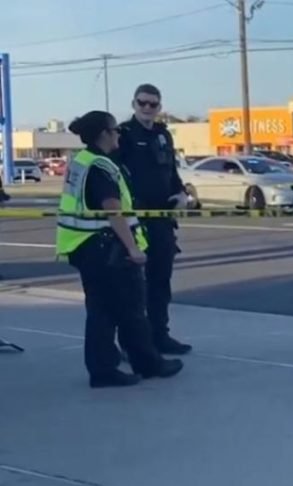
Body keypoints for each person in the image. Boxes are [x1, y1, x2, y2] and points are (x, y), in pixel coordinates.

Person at [56, 110, 184, 388]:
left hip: (84, 247)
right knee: (130, 309)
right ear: (103, 134)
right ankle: (147, 364)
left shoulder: (82, 161)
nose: (118, 135)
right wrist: (133, 248)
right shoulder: (101, 166)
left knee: (102, 312)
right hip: (105, 248)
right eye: (114, 131)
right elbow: (113, 209)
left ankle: (104, 370)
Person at [115, 84, 192, 355]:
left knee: (160, 282)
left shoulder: (162, 135)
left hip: (161, 218)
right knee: (132, 286)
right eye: (142, 103)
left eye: (153, 104)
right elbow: (115, 175)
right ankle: (132, 344)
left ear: (159, 107)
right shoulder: (123, 135)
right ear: (133, 103)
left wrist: (181, 192)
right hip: (135, 219)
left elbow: (171, 171)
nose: (147, 108)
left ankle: (160, 335)